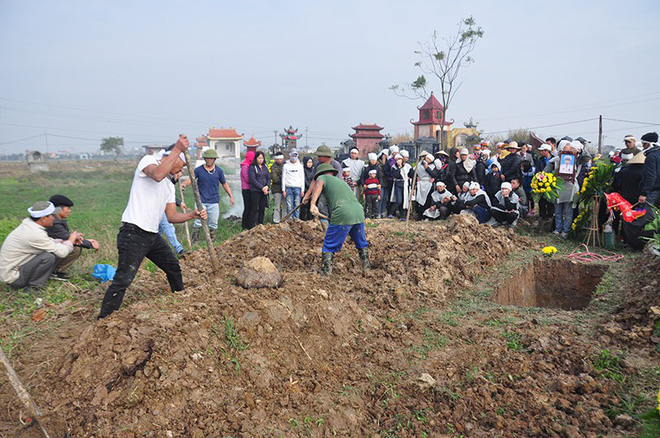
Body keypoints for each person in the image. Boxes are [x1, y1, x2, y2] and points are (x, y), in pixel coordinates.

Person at [98, 137, 207, 318]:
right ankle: (103, 319)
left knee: (173, 266)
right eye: (180, 165)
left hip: (152, 236)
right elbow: (157, 175)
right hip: (133, 232)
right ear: (171, 157)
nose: (181, 171)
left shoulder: (169, 186)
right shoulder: (149, 161)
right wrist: (177, 150)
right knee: (123, 279)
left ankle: (180, 302)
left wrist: (192, 215)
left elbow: (171, 216)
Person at [0, 201, 82, 291]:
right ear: (43, 218)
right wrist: (71, 239)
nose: (54, 219)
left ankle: (51, 273)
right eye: (52, 216)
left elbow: (49, 243)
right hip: (13, 278)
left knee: (53, 251)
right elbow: (62, 252)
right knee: (48, 256)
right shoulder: (34, 233)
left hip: (18, 269)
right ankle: (33, 287)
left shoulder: (30, 226)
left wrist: (66, 242)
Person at [309, 163, 370, 276]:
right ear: (332, 172)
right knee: (361, 242)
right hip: (358, 211)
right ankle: (366, 268)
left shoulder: (323, 178)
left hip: (343, 213)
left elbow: (319, 184)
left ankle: (326, 273)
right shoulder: (341, 182)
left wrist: (312, 204)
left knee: (329, 243)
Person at [46, 194, 100, 279]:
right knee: (75, 249)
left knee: (74, 246)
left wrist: (85, 240)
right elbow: (68, 238)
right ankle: (56, 272)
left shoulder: (55, 220)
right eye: (68, 208)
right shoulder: (54, 223)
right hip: (45, 253)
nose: (69, 211)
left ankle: (56, 271)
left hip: (49, 249)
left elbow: (67, 237)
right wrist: (90, 244)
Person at [190, 148, 234, 242]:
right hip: (201, 201)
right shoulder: (198, 170)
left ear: (214, 159)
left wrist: (231, 196)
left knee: (213, 223)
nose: (209, 160)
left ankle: (212, 241)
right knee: (198, 222)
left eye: (211, 158)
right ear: (205, 159)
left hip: (214, 201)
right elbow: (191, 179)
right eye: (207, 158)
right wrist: (184, 184)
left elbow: (224, 184)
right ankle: (194, 241)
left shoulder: (218, 171)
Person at [544, 140, 582, 239]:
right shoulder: (555, 160)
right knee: (558, 210)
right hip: (559, 188)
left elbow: (585, 158)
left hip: (570, 188)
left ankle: (566, 231)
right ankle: (558, 229)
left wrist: (579, 150)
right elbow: (545, 172)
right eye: (567, 146)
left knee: (568, 211)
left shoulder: (576, 159)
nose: (569, 148)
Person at [301, 145, 343, 221]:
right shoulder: (317, 166)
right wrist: (307, 195)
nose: (318, 158)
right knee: (321, 208)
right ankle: (325, 227)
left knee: (334, 211)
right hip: (322, 192)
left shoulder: (335, 165)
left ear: (326, 156)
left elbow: (339, 180)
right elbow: (314, 181)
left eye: (320, 156)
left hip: (334, 192)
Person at [158, 171, 187, 258]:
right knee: (168, 226)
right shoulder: (158, 177)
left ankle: (153, 250)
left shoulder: (164, 177)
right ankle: (179, 249)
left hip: (161, 206)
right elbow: (165, 193)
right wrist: (179, 202)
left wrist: (174, 179)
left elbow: (168, 189)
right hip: (158, 206)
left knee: (158, 230)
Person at [248, 151, 271, 228]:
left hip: (264, 191)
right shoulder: (252, 167)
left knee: (262, 208)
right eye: (259, 158)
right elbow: (252, 179)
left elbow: (268, 177)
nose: (261, 160)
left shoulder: (265, 167)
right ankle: (252, 226)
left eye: (262, 158)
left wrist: (267, 186)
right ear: (256, 158)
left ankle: (260, 224)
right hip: (255, 191)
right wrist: (262, 187)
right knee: (254, 208)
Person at [282, 149, 304, 220]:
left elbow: (302, 177)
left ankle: (296, 220)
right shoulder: (286, 166)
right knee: (289, 206)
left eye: (295, 155)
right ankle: (290, 221)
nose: (294, 157)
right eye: (292, 155)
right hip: (288, 188)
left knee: (297, 205)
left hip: (298, 187)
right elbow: (283, 178)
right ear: (289, 156)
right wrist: (283, 190)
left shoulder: (300, 166)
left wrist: (302, 190)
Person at [388, 154, 412, 219]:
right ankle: (391, 213)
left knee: (404, 200)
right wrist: (399, 167)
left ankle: (402, 216)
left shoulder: (407, 166)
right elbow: (397, 175)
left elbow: (411, 174)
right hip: (398, 184)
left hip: (405, 184)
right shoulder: (394, 167)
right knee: (399, 200)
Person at [639, 132, 660, 207]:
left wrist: (643, 194)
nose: (643, 146)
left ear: (648, 144)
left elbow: (651, 176)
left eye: (643, 144)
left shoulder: (651, 157)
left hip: (652, 192)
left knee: (645, 215)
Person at [535, 144, 555, 219]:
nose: (541, 152)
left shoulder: (554, 159)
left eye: (542, 151)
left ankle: (550, 214)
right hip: (541, 182)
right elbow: (537, 170)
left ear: (547, 151)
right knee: (542, 199)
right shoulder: (539, 160)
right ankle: (542, 215)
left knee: (551, 199)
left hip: (552, 182)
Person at [414, 152, 435, 219]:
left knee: (427, 200)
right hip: (420, 183)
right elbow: (412, 172)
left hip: (428, 183)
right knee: (419, 199)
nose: (427, 160)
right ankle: (419, 215)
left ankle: (426, 215)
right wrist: (416, 176)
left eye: (429, 159)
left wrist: (427, 168)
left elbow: (434, 174)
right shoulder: (419, 164)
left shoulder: (432, 166)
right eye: (426, 158)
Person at [240, 151, 256, 230]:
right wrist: (256, 180)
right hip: (246, 189)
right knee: (247, 207)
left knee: (251, 207)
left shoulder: (250, 165)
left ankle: (250, 224)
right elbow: (247, 179)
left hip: (252, 189)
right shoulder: (245, 166)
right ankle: (245, 225)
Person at [270, 152, 286, 224]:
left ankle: (284, 220)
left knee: (285, 206)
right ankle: (276, 221)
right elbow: (275, 179)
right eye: (278, 159)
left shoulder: (286, 165)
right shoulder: (273, 167)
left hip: (285, 189)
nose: (279, 160)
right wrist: (283, 178)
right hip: (277, 189)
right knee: (277, 206)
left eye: (281, 159)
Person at [300, 156, 315, 221]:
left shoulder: (313, 170)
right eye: (308, 162)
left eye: (311, 162)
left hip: (313, 192)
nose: (310, 164)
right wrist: (310, 188)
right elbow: (304, 180)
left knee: (311, 208)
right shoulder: (303, 170)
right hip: (305, 191)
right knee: (304, 208)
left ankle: (310, 220)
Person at [377, 150, 390, 218]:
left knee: (385, 198)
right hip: (380, 182)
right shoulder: (378, 163)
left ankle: (383, 211)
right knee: (380, 198)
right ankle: (378, 212)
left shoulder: (388, 162)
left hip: (386, 182)